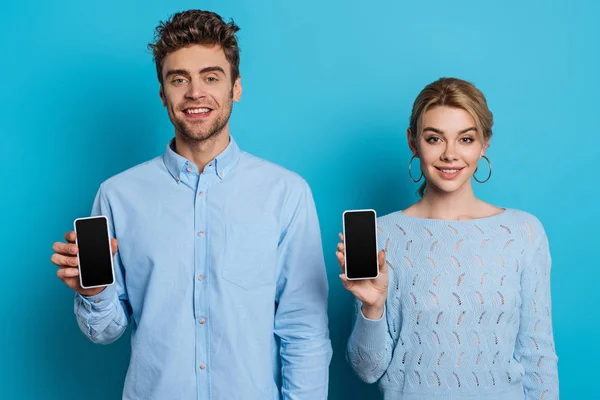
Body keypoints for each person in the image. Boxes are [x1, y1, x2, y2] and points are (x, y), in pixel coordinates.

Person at [50, 9, 332, 400]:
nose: (195, 92)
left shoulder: (286, 193)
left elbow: (304, 330)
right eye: (178, 79)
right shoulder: (117, 195)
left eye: (211, 77)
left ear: (236, 87)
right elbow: (105, 331)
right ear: (163, 94)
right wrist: (93, 292)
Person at [337, 77, 559, 399]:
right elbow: (367, 370)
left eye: (465, 139)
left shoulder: (523, 233)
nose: (450, 154)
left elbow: (538, 358)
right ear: (413, 142)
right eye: (435, 139)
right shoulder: (380, 236)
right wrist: (372, 308)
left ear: (485, 143)